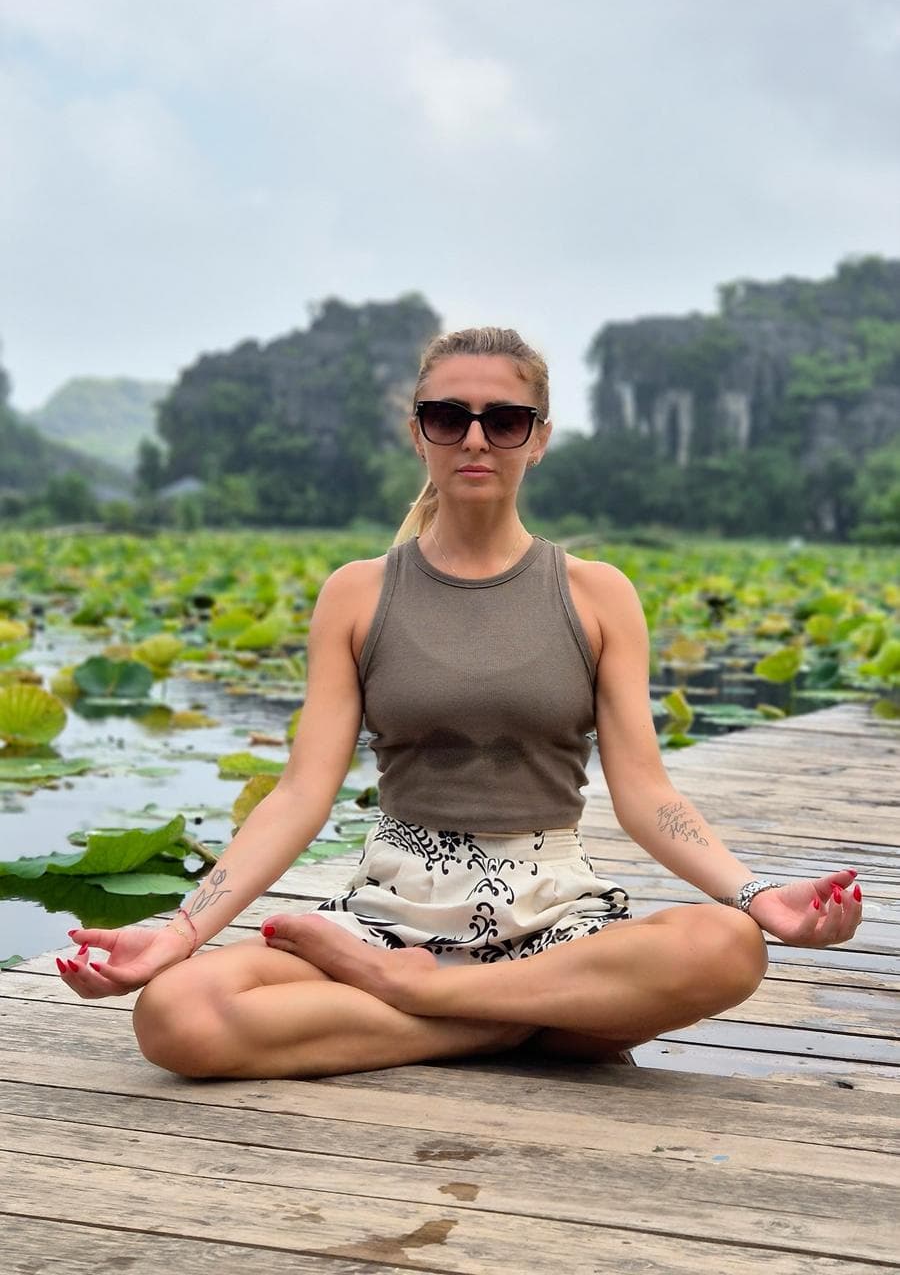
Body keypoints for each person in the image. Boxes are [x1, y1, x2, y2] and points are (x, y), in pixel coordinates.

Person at [58, 326, 863, 1077]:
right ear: (420, 432)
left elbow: (647, 793)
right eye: (449, 417)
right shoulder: (357, 594)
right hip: (391, 908)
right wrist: (178, 929)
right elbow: (302, 794)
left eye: (505, 420)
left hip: (553, 917)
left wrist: (759, 897)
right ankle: (514, 1022)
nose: (475, 439)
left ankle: (417, 996)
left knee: (728, 945)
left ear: (538, 439)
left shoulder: (597, 594)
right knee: (174, 1014)